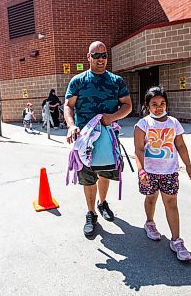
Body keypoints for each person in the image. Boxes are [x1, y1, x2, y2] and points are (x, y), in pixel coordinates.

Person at [64, 41, 132, 237]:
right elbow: (68, 106)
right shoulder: (78, 81)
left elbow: (127, 105)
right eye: (96, 56)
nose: (100, 59)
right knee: (87, 177)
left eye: (104, 56)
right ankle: (91, 212)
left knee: (105, 172)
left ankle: (102, 204)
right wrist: (71, 126)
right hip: (84, 139)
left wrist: (112, 118)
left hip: (108, 137)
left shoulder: (116, 81)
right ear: (88, 57)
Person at [134, 86, 191, 261]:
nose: (159, 107)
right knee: (151, 198)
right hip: (149, 172)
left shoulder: (174, 123)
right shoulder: (143, 124)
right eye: (154, 104)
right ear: (147, 106)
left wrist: (188, 165)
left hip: (169, 171)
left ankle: (176, 241)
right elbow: (138, 150)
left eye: (162, 103)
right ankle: (150, 223)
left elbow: (181, 146)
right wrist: (141, 171)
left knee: (172, 204)